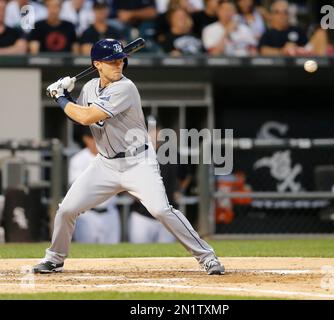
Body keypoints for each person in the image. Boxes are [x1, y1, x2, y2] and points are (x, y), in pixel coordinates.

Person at [33, 38, 225, 275]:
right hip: (105, 164)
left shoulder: (125, 87)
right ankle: (54, 258)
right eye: (111, 61)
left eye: (120, 60)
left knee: (161, 211)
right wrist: (67, 98)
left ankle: (207, 257)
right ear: (97, 64)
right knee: (66, 210)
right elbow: (79, 115)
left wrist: (59, 98)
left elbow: (87, 117)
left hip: (138, 163)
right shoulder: (90, 87)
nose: (118, 65)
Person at [70, 128, 121, 243]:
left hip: (109, 212)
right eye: (94, 138)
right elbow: (79, 188)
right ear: (86, 139)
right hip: (87, 214)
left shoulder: (113, 157)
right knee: (85, 254)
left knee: (112, 255)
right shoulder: (78, 159)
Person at [128, 121, 176, 243]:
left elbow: (185, 175)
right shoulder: (136, 153)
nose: (152, 133)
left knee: (167, 257)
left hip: (166, 215)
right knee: (138, 255)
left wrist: (178, 190)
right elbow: (124, 176)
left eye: (155, 130)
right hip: (142, 215)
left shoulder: (171, 153)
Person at [258, 0, 332, 56]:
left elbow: (307, 46)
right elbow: (263, 50)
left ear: (289, 14)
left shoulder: (296, 30)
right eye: (277, 12)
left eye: (285, 12)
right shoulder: (268, 33)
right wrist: (283, 51)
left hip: (302, 61)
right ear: (272, 15)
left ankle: (321, 69)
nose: (282, 15)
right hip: (279, 65)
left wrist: (297, 49)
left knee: (321, 33)